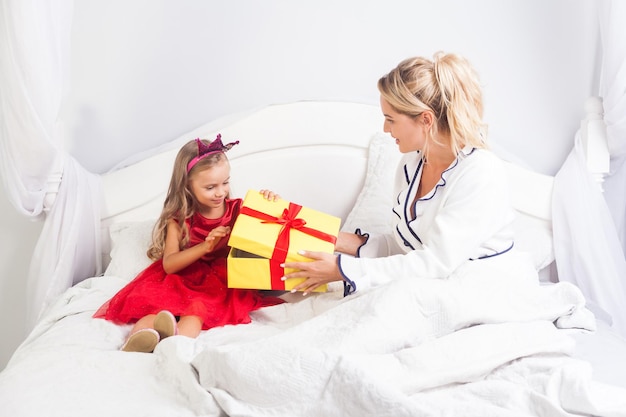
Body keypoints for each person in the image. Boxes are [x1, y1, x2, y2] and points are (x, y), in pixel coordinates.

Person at [282, 52, 518, 295]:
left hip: (482, 288)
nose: (385, 129)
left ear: (426, 119)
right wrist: (332, 238)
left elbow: (435, 263)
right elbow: (405, 247)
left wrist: (343, 269)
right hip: (433, 283)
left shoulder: (481, 173)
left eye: (390, 119)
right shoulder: (411, 165)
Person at [94, 135, 284, 353]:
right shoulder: (178, 219)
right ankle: (136, 341)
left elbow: (268, 233)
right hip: (182, 277)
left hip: (219, 282)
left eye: (225, 182)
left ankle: (173, 344)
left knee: (196, 310)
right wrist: (205, 246)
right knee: (157, 308)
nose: (220, 192)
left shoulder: (238, 209)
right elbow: (169, 265)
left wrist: (269, 204)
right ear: (187, 185)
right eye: (210, 187)